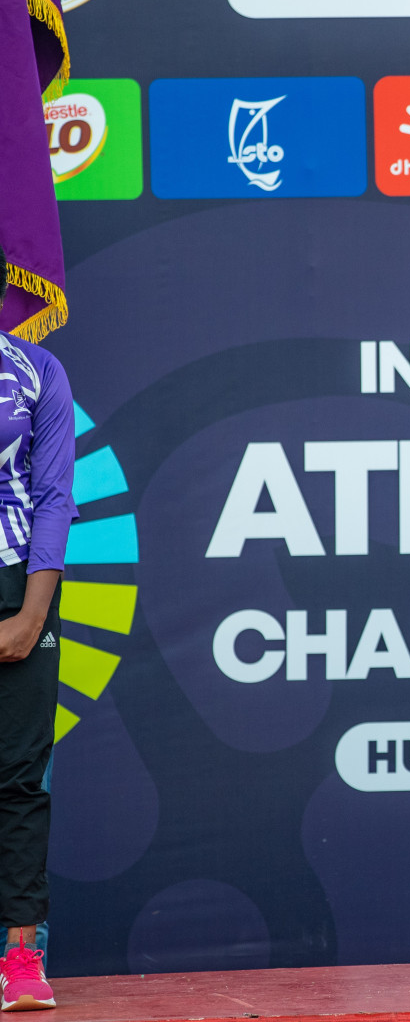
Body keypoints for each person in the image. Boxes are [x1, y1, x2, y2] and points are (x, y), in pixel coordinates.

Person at [0, 244, 77, 1012]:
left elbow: (54, 494)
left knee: (20, 780)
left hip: (18, 582)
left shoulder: (37, 374)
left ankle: (21, 956)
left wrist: (31, 611)